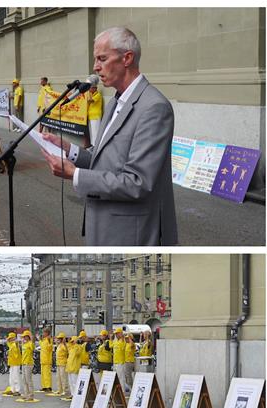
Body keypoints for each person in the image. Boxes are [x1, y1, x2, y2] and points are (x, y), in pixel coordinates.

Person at [41, 27, 178, 246]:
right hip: (103, 223)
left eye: (102, 59)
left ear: (127, 58)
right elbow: (104, 158)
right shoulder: (115, 101)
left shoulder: (154, 107)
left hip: (130, 233)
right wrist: (69, 149)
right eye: (96, 59)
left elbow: (138, 182)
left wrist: (75, 175)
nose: (95, 67)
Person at [85, 74, 103, 147]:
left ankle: (96, 147)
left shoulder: (98, 95)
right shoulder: (92, 94)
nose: (89, 90)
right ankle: (93, 146)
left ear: (95, 88)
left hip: (95, 117)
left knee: (95, 132)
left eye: (91, 88)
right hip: (90, 116)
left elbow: (90, 101)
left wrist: (87, 94)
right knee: (92, 133)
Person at [20, 330, 35, 401]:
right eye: (23, 336)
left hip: (28, 363)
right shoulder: (24, 344)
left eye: (25, 336)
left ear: (28, 337)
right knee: (24, 380)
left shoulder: (30, 343)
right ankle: (26, 394)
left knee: (28, 380)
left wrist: (31, 340)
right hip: (23, 363)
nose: (24, 337)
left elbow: (32, 348)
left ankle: (31, 395)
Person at [55, 332, 70, 397]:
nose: (58, 340)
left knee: (63, 377)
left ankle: (65, 390)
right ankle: (60, 390)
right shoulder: (59, 345)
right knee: (58, 377)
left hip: (63, 363)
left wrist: (64, 342)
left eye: (60, 338)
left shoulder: (64, 345)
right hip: (58, 363)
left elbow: (67, 351)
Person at [6, 332, 21, 396]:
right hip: (12, 363)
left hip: (16, 363)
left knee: (16, 377)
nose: (10, 339)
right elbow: (8, 343)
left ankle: (17, 390)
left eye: (11, 338)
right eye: (10, 338)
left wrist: (16, 343)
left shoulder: (15, 344)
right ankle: (12, 390)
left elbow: (17, 348)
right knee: (11, 377)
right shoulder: (11, 344)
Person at [112, 327, 127, 392]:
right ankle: (118, 391)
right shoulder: (116, 341)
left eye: (117, 333)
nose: (116, 335)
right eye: (116, 334)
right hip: (115, 362)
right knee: (116, 378)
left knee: (121, 378)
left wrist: (123, 338)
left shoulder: (123, 341)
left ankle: (122, 391)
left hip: (121, 362)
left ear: (121, 333)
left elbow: (123, 347)